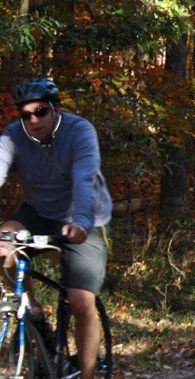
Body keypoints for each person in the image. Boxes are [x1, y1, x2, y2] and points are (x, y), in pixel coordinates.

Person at [0, 78, 112, 378]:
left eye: (41, 111)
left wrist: (80, 221)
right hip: (39, 213)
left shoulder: (79, 132)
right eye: (26, 115)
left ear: (55, 109)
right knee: (1, 247)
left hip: (85, 218)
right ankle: (34, 314)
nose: (34, 120)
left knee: (80, 300)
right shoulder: (13, 137)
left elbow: (84, 179)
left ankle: (87, 373)